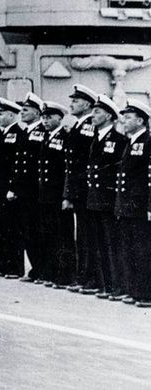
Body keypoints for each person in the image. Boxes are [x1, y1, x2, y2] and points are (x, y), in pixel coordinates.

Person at [84, 95, 128, 299]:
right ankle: (106, 284)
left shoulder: (119, 141)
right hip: (95, 199)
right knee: (99, 244)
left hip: (109, 200)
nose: (93, 115)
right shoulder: (96, 138)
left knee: (112, 245)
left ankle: (118, 285)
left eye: (98, 112)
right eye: (92, 111)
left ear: (109, 116)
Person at [114, 100, 151, 307]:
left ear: (140, 120)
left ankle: (145, 293)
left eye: (128, 117)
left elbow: (149, 177)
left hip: (139, 207)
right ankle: (134, 290)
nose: (124, 121)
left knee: (142, 251)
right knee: (128, 250)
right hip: (127, 206)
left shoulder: (147, 141)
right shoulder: (131, 142)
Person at [61, 84, 98, 294]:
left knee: (86, 235)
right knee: (82, 234)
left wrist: (74, 190)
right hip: (79, 188)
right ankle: (83, 275)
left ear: (87, 104)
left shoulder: (87, 127)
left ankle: (89, 276)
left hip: (85, 188)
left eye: (76, 101)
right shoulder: (78, 126)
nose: (72, 104)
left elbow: (83, 162)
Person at [37, 100, 75, 288]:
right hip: (45, 195)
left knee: (62, 236)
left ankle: (65, 274)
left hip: (57, 195)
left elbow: (66, 168)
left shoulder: (65, 137)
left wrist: (66, 195)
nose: (45, 120)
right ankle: (51, 272)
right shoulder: (46, 137)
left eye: (49, 117)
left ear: (60, 118)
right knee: (48, 235)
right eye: (43, 117)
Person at [12, 92, 46, 282]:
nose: (22, 113)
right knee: (27, 231)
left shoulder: (40, 132)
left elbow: (34, 165)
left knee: (35, 231)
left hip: (33, 191)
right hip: (25, 191)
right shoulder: (26, 132)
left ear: (36, 112)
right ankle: (35, 269)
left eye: (25, 110)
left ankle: (40, 269)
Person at [0, 97, 25, 279]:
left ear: (12, 115)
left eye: (2, 113)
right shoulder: (3, 134)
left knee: (12, 229)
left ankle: (14, 267)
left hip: (8, 189)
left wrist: (12, 187)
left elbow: (16, 165)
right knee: (0, 227)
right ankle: (3, 264)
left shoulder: (17, 134)